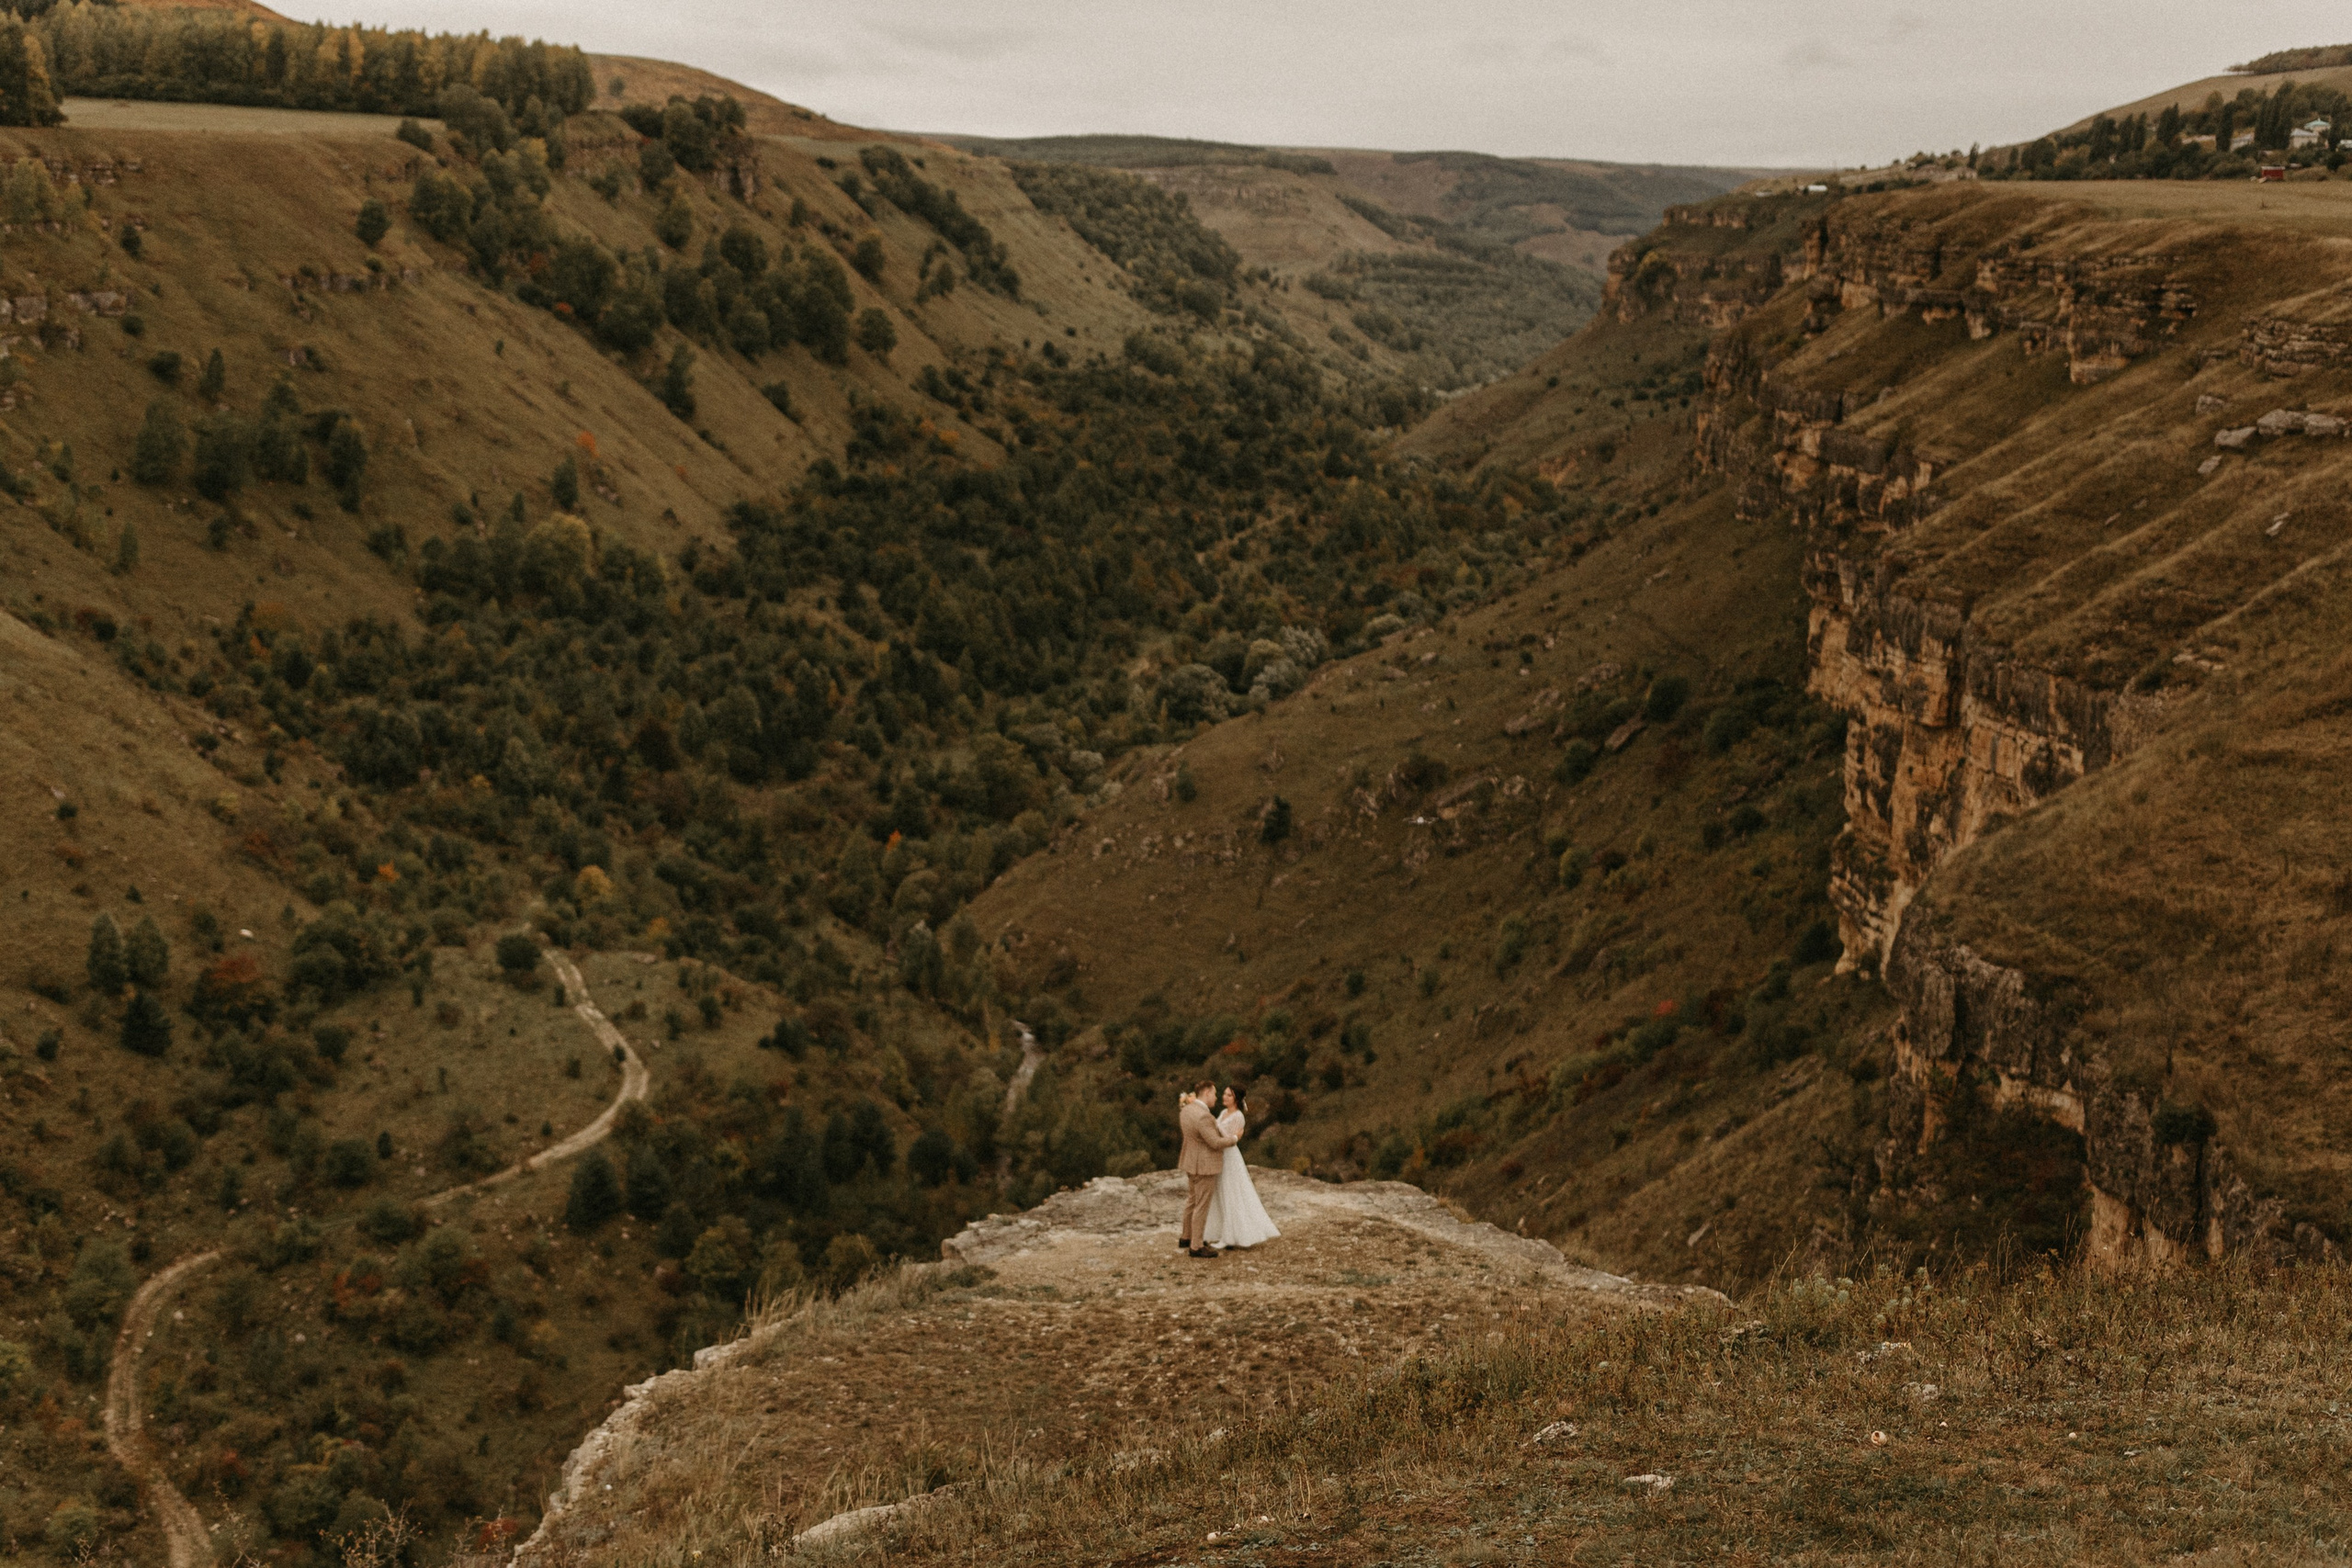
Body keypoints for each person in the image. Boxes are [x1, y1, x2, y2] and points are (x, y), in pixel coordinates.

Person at [1203, 1084, 1279, 1249]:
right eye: (1224, 1094)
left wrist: (1213, 1125)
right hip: (1220, 1155)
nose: (1224, 1097)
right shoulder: (1223, 1113)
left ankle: (1229, 1237)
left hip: (1230, 1158)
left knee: (1231, 1193)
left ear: (1236, 1099)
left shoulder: (1238, 1116)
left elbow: (1230, 1137)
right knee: (1221, 1192)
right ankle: (1222, 1232)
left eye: (1228, 1095)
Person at [1177, 1078, 1238, 1258]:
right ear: (1207, 1093)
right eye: (1215, 1093)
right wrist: (1234, 1138)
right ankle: (1196, 1246)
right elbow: (1215, 1142)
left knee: (1192, 1200)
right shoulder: (1204, 1116)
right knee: (1201, 1205)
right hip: (1204, 1165)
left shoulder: (1187, 1110)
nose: (1216, 1097)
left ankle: (1185, 1237)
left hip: (1190, 1161)